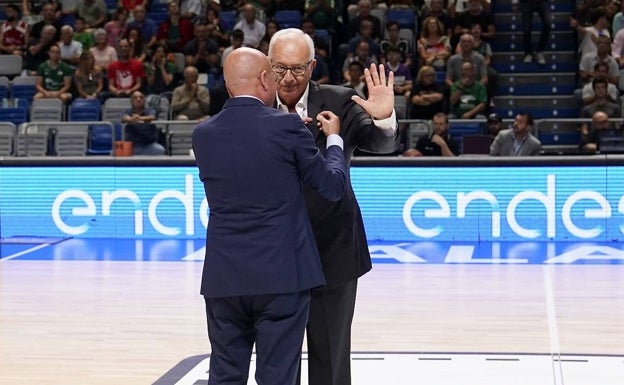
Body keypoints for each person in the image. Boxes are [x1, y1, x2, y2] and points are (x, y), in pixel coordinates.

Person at [192, 47, 348, 385]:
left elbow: (253, 160)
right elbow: (333, 187)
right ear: (265, 78)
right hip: (282, 278)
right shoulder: (288, 127)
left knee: (224, 376)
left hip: (223, 279)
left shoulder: (202, 135)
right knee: (277, 377)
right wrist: (333, 139)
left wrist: (294, 137)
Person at [268, 28, 399, 385]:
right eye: (280, 68)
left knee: (330, 357)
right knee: (279, 359)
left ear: (312, 66)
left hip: (333, 251)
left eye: (297, 69)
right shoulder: (256, 106)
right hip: (274, 254)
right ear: (268, 66)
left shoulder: (340, 100)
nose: (288, 78)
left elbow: (381, 144)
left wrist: (384, 118)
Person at [121, 91, 166, 155]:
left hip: (148, 145)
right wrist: (131, 119)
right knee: (113, 153)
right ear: (131, 101)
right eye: (135, 98)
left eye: (141, 97)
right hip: (131, 145)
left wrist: (139, 118)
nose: (138, 99)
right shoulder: (127, 111)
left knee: (160, 150)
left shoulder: (150, 110)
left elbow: (152, 117)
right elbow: (125, 118)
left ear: (144, 100)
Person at [513, 0, 550, 64]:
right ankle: (528, 53)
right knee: (526, 29)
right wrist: (515, 2)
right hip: (526, 2)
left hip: (541, 2)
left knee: (547, 25)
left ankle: (540, 51)